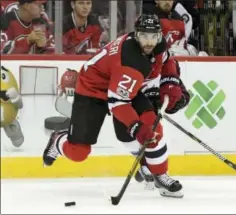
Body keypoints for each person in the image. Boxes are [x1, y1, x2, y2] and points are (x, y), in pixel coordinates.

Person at [43, 14, 188, 198]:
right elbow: (118, 103)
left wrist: (170, 82)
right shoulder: (130, 61)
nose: (149, 42)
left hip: (124, 88)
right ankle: (58, 139)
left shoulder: (158, 46)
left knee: (151, 124)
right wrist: (137, 128)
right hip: (92, 90)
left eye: (153, 36)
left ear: (159, 35)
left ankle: (160, 174)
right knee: (78, 152)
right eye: (144, 36)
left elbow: (168, 61)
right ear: (136, 35)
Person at [142, 0, 207, 56]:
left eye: (170, 0)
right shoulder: (147, 13)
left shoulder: (179, 17)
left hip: (176, 56)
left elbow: (183, 40)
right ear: (156, 0)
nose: (167, 2)